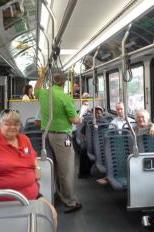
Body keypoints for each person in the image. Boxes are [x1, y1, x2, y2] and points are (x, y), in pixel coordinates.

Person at [35, 69, 82, 213]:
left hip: (46, 135)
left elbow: (36, 89)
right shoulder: (64, 96)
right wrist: (80, 118)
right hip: (63, 137)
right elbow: (74, 119)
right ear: (64, 81)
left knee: (53, 166)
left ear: (52, 81)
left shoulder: (44, 93)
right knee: (66, 169)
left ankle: (57, 194)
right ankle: (70, 201)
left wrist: (41, 76)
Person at [0, 109, 57, 228]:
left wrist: (36, 166)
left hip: (32, 196)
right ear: (1, 124)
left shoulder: (24, 140)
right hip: (6, 199)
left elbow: (32, 156)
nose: (12, 127)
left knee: (52, 213)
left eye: (15, 124)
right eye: (7, 124)